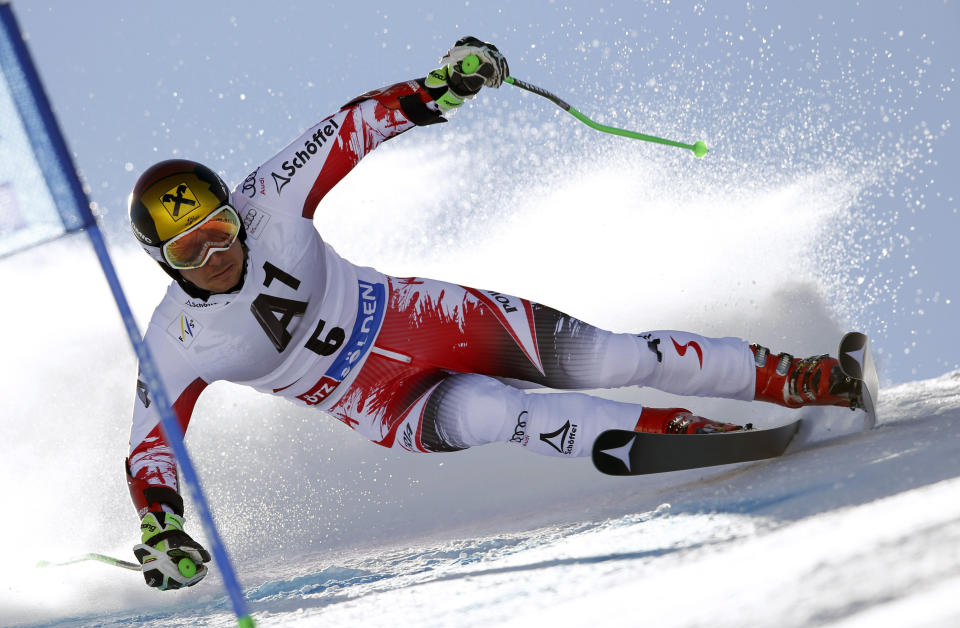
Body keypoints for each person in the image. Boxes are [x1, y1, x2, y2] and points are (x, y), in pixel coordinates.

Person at [126, 37, 863, 590]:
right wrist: (161, 523)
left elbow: (353, 126)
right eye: (191, 252)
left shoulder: (271, 196)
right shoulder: (176, 338)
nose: (215, 255)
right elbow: (149, 446)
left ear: (234, 211)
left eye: (219, 230)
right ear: (164, 263)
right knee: (491, 411)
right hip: (383, 401)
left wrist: (442, 87)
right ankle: (682, 435)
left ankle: (805, 379)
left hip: (429, 315)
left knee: (611, 357)